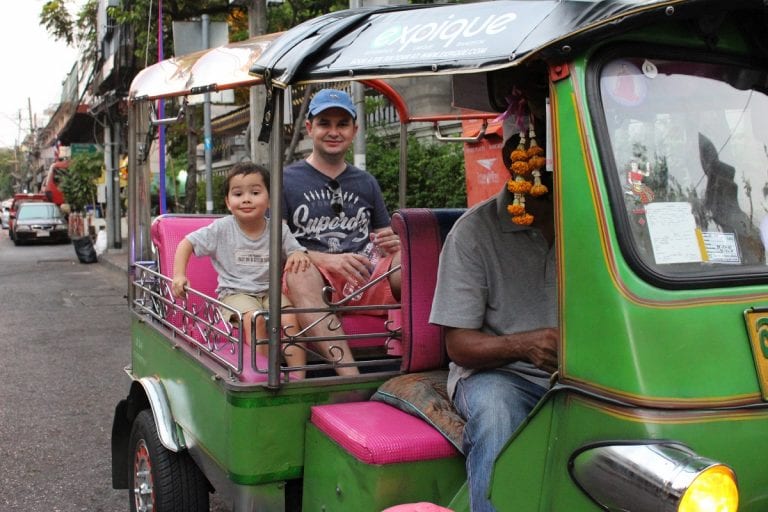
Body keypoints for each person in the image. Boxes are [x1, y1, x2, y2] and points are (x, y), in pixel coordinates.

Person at [430, 125, 558, 512]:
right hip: (502, 378)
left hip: (584, 376)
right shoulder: (472, 233)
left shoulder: (594, 222)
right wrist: (524, 344)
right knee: (496, 411)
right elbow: (459, 345)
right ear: (516, 164)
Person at [282, 88, 402, 376]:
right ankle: (350, 376)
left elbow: (384, 236)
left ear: (354, 130)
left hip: (365, 275)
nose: (333, 132)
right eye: (325, 123)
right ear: (310, 128)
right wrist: (323, 259)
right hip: (314, 279)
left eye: (342, 124)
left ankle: (423, 365)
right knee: (299, 269)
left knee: (413, 264)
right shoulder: (286, 179)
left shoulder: (366, 182)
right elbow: (269, 241)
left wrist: (395, 244)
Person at [172, 162, 310, 378]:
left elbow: (295, 251)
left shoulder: (278, 229)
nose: (246, 199)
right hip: (235, 293)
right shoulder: (221, 228)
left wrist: (297, 254)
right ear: (228, 202)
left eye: (255, 192)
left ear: (270, 199)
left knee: (291, 319)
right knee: (255, 319)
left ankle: (299, 377)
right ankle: (262, 373)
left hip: (270, 292)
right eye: (238, 194)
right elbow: (186, 244)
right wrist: (179, 275)